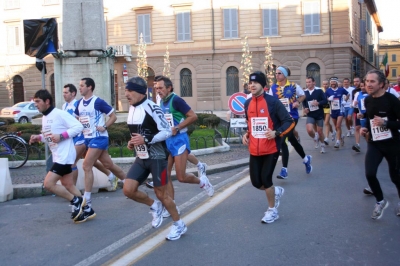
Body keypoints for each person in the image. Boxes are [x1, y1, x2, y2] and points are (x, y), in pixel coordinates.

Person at [123, 76, 187, 240]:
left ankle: (179, 225)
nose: (126, 94)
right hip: (142, 156)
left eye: (129, 90)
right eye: (126, 90)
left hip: (158, 158)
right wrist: (132, 143)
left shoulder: (152, 107)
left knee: (162, 195)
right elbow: (139, 133)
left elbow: (167, 131)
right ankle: (154, 206)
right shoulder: (132, 108)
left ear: (140, 92)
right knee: (128, 190)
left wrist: (146, 139)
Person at [154, 75, 214, 214]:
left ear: (169, 88)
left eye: (161, 88)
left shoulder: (176, 100)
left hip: (179, 140)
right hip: (167, 141)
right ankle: (172, 206)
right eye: (156, 88)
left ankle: (202, 182)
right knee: (165, 175)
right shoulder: (161, 101)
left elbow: (193, 116)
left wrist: (177, 127)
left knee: (181, 177)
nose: (158, 91)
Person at [242, 71, 294, 223]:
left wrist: (276, 132)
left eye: (255, 83)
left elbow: (289, 122)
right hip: (254, 149)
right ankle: (275, 191)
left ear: (263, 85)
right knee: (256, 183)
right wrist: (247, 134)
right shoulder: (247, 103)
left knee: (266, 178)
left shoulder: (273, 102)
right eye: (250, 83)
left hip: (271, 148)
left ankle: (272, 210)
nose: (252, 85)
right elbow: (250, 124)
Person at [73, 77, 126, 223]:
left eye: (82, 85)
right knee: (108, 164)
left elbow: (113, 116)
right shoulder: (78, 104)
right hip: (87, 138)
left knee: (86, 165)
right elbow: (76, 120)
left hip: (99, 137)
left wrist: (105, 126)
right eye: (80, 85)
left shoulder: (98, 102)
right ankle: (127, 182)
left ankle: (87, 201)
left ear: (89, 87)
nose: (80, 88)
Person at [29, 89, 85, 222]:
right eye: (34, 101)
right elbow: (50, 136)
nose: (35, 104)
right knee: (68, 185)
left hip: (65, 155)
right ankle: (87, 209)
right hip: (58, 155)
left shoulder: (59, 114)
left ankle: (75, 200)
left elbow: (78, 126)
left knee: (48, 184)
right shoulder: (45, 117)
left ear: (47, 101)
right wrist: (39, 137)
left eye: (38, 101)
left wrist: (62, 136)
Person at [62, 84, 119, 192]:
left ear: (72, 94)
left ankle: (73, 191)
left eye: (66, 92)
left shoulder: (78, 103)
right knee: (96, 161)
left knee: (73, 161)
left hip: (83, 137)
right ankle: (111, 175)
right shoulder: (64, 106)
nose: (63, 95)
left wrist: (102, 127)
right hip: (74, 137)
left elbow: (112, 116)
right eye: (63, 92)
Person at [360, 69, 400, 219]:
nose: (368, 84)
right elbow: (371, 121)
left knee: (396, 177)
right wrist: (366, 128)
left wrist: (386, 122)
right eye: (367, 81)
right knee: (370, 173)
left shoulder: (392, 100)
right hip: (375, 143)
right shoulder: (367, 100)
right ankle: (380, 201)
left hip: (392, 144)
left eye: (372, 81)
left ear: (381, 84)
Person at [268, 66, 312, 179]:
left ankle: (284, 170)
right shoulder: (273, 88)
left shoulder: (293, 86)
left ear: (284, 75)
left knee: (282, 139)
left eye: (279, 73)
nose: (276, 75)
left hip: (292, 117)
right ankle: (306, 159)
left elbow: (303, 95)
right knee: (292, 140)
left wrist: (297, 102)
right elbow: (270, 102)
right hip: (280, 118)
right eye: (276, 73)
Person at [303, 77, 328, 153]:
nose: (308, 84)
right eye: (307, 82)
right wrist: (305, 108)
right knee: (309, 130)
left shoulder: (319, 91)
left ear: (314, 82)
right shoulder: (305, 92)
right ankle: (315, 138)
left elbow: (325, 101)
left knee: (320, 132)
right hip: (310, 114)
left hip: (319, 114)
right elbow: (304, 102)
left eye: (309, 82)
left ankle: (322, 145)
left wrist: (318, 103)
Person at [325, 77, 349, 149]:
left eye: (334, 82)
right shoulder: (328, 91)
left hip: (340, 110)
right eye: (331, 82)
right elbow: (324, 98)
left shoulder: (341, 90)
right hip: (333, 110)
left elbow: (348, 94)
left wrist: (345, 100)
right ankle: (341, 136)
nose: (332, 83)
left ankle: (337, 141)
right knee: (336, 126)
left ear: (336, 83)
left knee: (338, 126)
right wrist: (328, 99)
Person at [351, 79, 367, 153]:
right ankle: (357, 144)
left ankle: (372, 145)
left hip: (369, 114)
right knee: (357, 128)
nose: (363, 87)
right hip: (359, 113)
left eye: (364, 86)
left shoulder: (370, 93)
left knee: (366, 131)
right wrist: (355, 103)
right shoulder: (357, 93)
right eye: (361, 86)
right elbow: (353, 104)